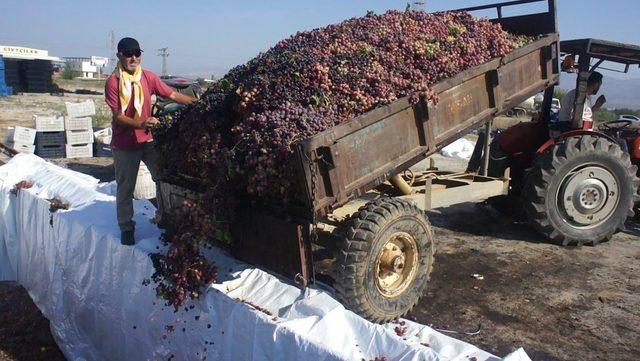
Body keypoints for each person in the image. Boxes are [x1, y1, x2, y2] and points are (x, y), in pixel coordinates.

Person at [104, 37, 196, 245]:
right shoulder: (113, 82)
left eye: (137, 53)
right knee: (125, 188)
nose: (133, 57)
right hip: (125, 145)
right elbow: (118, 117)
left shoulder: (148, 77)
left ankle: (164, 217)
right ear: (119, 55)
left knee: (161, 177)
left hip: (147, 141)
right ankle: (126, 228)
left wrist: (197, 103)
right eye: (128, 53)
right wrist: (142, 123)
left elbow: (171, 93)